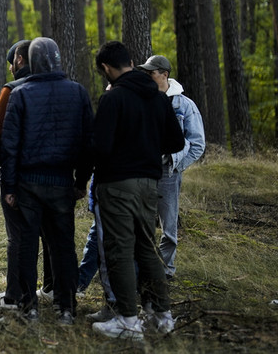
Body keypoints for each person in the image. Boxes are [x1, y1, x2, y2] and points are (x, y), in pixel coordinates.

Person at [89, 41, 185, 339]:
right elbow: (177, 143)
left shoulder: (114, 99)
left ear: (106, 68)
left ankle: (128, 321)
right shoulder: (158, 98)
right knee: (147, 248)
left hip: (117, 184)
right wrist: (147, 146)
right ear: (131, 61)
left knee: (119, 249)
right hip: (149, 184)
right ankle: (163, 315)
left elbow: (100, 148)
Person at [0, 37, 94, 325]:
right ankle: (66, 307)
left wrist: (10, 187)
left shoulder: (22, 93)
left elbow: (10, 146)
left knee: (27, 246)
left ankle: (30, 307)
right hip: (62, 182)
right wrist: (81, 180)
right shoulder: (77, 92)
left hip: (29, 183)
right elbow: (87, 142)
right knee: (63, 246)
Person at [137, 54, 205, 279]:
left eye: (151, 73)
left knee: (169, 228)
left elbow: (197, 143)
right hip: (143, 171)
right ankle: (144, 270)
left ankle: (166, 271)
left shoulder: (184, 105)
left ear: (164, 75)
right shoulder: (141, 100)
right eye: (145, 73)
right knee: (141, 223)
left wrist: (178, 166)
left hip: (168, 172)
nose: (147, 76)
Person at [0, 39, 29, 309]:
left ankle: (14, 294)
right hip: (56, 177)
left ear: (19, 61)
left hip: (17, 176)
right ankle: (54, 292)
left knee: (17, 236)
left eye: (11, 62)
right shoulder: (67, 88)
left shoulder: (12, 89)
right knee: (52, 238)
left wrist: (5, 163)